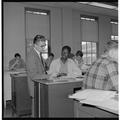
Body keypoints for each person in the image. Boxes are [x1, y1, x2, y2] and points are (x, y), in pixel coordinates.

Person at [26, 34, 50, 117]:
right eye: (42, 46)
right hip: (35, 87)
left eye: (44, 45)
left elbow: (41, 70)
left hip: (40, 86)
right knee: (36, 111)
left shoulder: (38, 54)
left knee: (39, 111)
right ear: (35, 45)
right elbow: (33, 75)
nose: (44, 48)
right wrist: (48, 76)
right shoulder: (31, 56)